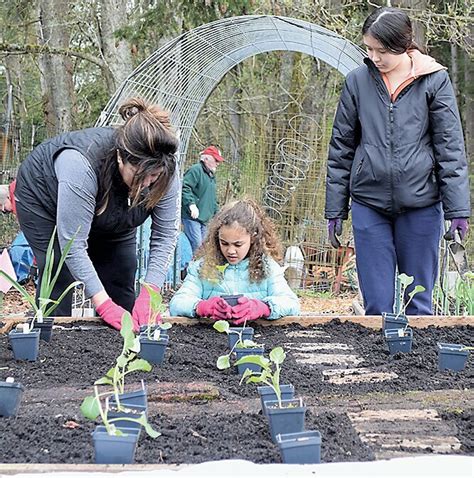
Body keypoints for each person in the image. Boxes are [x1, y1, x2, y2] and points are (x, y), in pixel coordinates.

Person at [325, 7, 470, 316]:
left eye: (382, 50)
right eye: (369, 48)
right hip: (369, 202)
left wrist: (457, 210)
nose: (374, 57)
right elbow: (341, 149)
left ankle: (419, 364)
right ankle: (376, 364)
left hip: (421, 204)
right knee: (376, 304)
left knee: (418, 303)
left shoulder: (434, 81)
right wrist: (335, 208)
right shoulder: (357, 82)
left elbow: (450, 148)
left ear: (404, 45)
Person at [14, 97, 180, 330]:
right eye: (141, 175)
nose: (148, 184)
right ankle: (51, 345)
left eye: (155, 176)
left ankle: (124, 345)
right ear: (121, 157)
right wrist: (103, 305)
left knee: (122, 269)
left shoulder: (165, 170)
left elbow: (165, 236)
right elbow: (73, 244)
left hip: (111, 211)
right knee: (61, 277)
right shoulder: (81, 165)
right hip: (43, 200)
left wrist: (150, 292)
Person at [169, 198, 300, 323]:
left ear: (253, 238)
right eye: (224, 243)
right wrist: (201, 307)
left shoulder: (268, 268)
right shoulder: (202, 267)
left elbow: (291, 303)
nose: (231, 251)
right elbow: (177, 304)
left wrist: (263, 307)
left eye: (238, 245)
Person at [181, 145, 224, 253]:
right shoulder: (195, 170)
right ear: (206, 159)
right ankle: (188, 269)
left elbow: (212, 199)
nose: (217, 164)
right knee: (197, 246)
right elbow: (184, 187)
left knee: (204, 247)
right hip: (192, 217)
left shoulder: (211, 176)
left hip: (205, 219)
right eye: (216, 160)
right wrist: (191, 204)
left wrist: (218, 215)